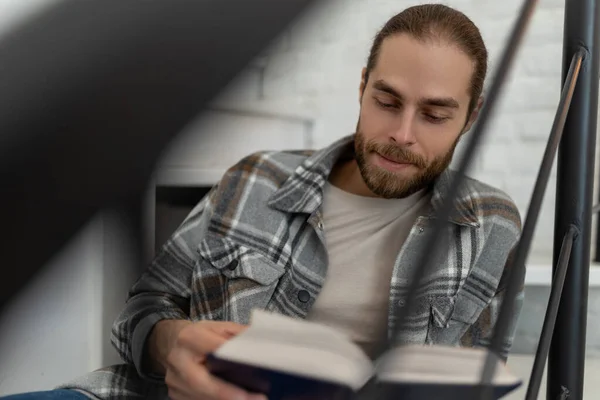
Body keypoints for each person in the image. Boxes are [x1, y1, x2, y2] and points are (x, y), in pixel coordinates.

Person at [3, 4, 524, 400]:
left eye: (434, 115)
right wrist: (173, 343)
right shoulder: (254, 179)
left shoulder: (490, 225)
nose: (402, 134)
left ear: (471, 117)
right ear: (362, 87)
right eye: (386, 102)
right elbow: (141, 310)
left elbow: (482, 372)